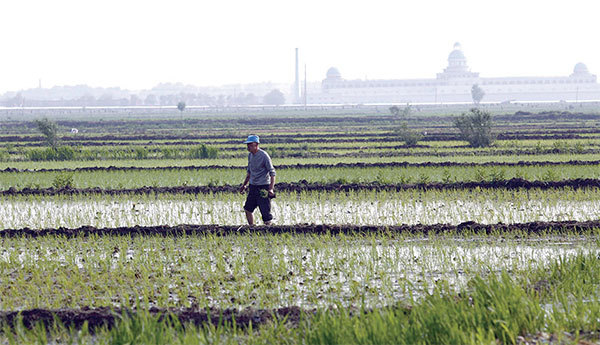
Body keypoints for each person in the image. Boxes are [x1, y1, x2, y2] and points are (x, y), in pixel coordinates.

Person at [239, 135, 276, 225]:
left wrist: (271, 189)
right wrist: (244, 185)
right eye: (247, 145)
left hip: (263, 187)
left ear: (256, 145)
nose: (248, 147)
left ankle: (269, 230)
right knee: (248, 209)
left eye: (250, 145)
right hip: (253, 186)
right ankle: (252, 228)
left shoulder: (264, 156)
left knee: (265, 214)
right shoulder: (250, 156)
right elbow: (249, 172)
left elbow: (272, 173)